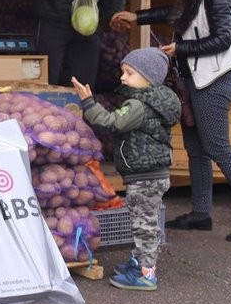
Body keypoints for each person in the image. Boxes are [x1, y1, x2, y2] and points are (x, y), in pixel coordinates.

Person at [111, 0, 231, 242]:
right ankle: (201, 213)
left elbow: (222, 39)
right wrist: (138, 17)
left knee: (217, 147)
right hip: (196, 80)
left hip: (214, 80)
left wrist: (179, 48)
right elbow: (175, 12)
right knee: (196, 149)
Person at [72, 47, 181, 291]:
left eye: (130, 73)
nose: (123, 78)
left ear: (148, 78)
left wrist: (88, 102)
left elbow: (111, 122)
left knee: (145, 227)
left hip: (145, 177)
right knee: (143, 222)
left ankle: (146, 274)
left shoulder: (139, 106)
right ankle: (139, 263)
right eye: (124, 72)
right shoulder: (158, 102)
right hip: (153, 174)